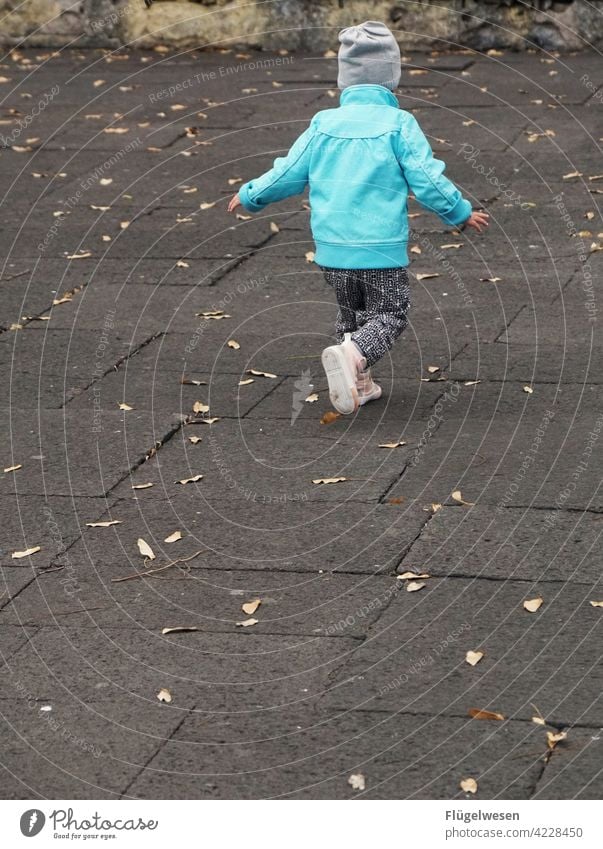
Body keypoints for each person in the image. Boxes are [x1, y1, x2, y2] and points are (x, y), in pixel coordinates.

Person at [228, 20, 489, 414]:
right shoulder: (399, 124)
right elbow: (427, 179)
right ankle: (354, 357)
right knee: (389, 314)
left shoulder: (323, 124)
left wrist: (251, 195)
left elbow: (287, 172)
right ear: (392, 77)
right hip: (379, 249)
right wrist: (460, 213)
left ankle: (359, 383)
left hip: (332, 251)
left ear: (344, 80)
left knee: (351, 314)